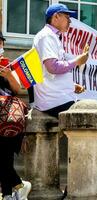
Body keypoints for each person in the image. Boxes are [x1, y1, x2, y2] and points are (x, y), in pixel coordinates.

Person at [32, 3, 89, 118]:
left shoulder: (51, 36)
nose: (70, 21)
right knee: (93, 115)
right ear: (56, 16)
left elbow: (48, 73)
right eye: (67, 17)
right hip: (54, 101)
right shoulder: (47, 36)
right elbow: (52, 67)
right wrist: (78, 61)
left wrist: (70, 85)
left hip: (57, 98)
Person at [0, 32, 32, 200]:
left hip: (6, 116)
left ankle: (7, 194)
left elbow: (17, 90)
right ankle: (19, 185)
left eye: (0, 43)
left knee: (5, 155)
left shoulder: (6, 65)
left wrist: (8, 75)